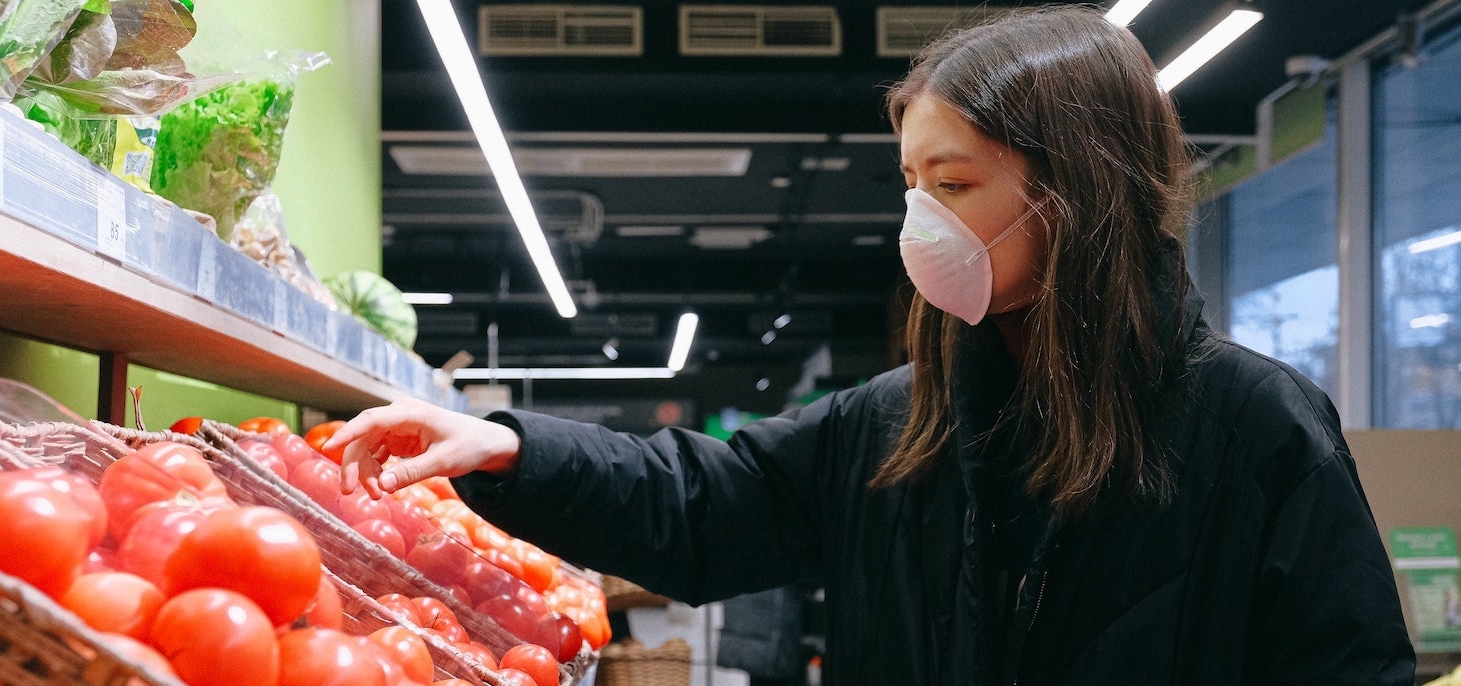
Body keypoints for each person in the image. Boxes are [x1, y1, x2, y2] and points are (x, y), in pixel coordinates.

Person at [327, 6, 1416, 684]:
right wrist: (508, 446)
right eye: (911, 184)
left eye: (954, 184)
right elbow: (705, 498)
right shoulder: (900, 420)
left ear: (1075, 192)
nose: (921, 221)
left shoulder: (1252, 426)